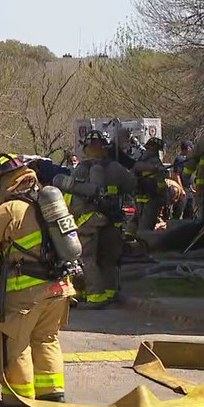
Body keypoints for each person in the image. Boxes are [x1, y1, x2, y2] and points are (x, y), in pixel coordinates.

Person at [0, 154, 76, 407]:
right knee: (47, 339)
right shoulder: (47, 202)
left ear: (2, 181)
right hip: (60, 286)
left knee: (16, 342)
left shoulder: (10, 208)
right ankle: (52, 393)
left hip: (28, 291)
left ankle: (18, 399)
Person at [68, 131, 136, 308]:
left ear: (86, 149)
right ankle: (110, 291)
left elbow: (71, 195)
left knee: (88, 258)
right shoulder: (116, 167)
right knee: (108, 257)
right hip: (111, 220)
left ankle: (95, 296)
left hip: (87, 220)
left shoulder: (81, 168)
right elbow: (132, 185)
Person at [129, 137, 168, 234]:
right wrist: (164, 195)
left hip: (139, 195)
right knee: (147, 225)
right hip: (151, 196)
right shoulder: (155, 162)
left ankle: (129, 236)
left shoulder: (140, 160)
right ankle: (142, 244)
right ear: (156, 149)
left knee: (138, 217)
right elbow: (160, 182)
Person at [172, 140, 195, 219]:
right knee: (179, 210)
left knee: (190, 211)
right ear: (188, 148)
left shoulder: (188, 159)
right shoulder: (180, 159)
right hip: (182, 188)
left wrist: (191, 188)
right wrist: (181, 189)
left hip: (189, 189)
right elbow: (177, 174)